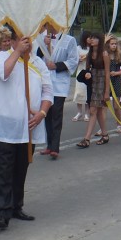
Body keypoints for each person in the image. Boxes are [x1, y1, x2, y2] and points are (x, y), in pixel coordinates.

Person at [0, 34, 53, 229]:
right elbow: (3, 73)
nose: (27, 44)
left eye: (29, 41)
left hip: (30, 125)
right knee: (4, 170)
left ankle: (16, 206)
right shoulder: (1, 57)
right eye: (22, 40)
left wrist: (42, 113)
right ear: (13, 41)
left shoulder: (38, 63)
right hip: (7, 126)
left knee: (21, 168)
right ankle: (2, 212)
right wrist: (17, 53)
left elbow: (48, 91)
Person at [37, 25, 79, 159]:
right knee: (46, 115)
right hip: (45, 82)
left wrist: (56, 65)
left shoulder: (69, 40)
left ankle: (55, 148)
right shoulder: (43, 38)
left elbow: (73, 60)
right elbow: (36, 57)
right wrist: (43, 46)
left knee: (56, 115)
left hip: (60, 84)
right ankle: (49, 145)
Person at [76, 32, 110, 148]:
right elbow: (87, 69)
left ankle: (87, 139)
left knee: (93, 110)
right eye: (91, 38)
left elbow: (107, 73)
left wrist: (107, 91)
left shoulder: (104, 54)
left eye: (95, 38)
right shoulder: (90, 53)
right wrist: (87, 74)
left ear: (100, 40)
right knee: (98, 111)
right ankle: (105, 135)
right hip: (92, 82)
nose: (92, 40)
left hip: (101, 82)